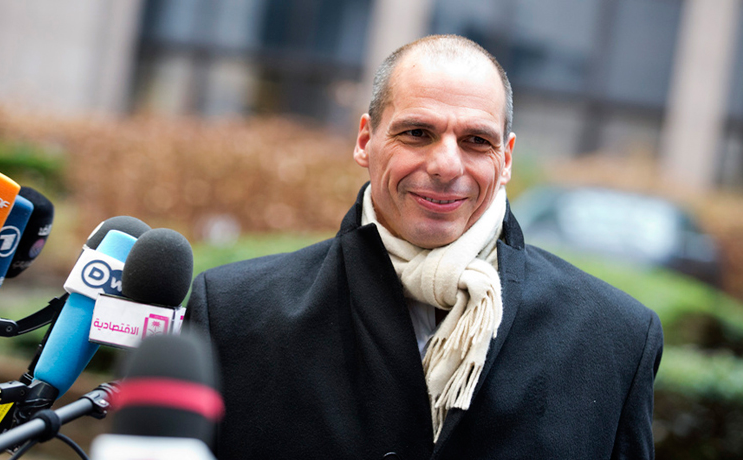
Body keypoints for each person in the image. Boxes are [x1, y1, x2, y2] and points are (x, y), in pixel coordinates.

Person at [186, 34, 663, 459]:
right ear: (365, 140)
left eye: (476, 140)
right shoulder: (233, 314)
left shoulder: (614, 339)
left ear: (506, 159)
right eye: (417, 133)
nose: (446, 165)